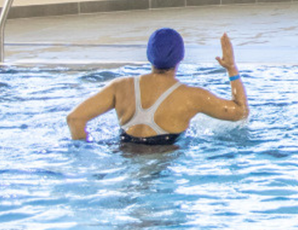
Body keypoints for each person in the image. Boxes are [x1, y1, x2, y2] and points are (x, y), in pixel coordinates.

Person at [66, 29, 249, 145]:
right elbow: (240, 113)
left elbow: (75, 119)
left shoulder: (121, 87)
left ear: (148, 56)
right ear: (181, 57)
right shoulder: (192, 96)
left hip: (123, 156)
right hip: (162, 164)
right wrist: (231, 68)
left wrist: (83, 150)